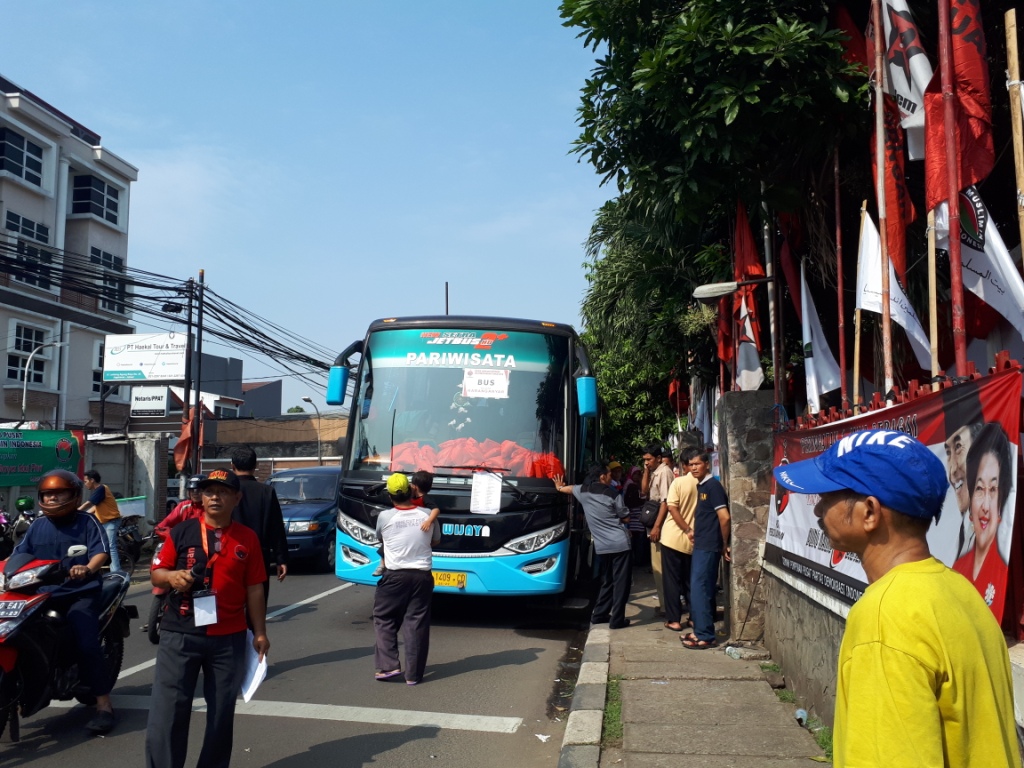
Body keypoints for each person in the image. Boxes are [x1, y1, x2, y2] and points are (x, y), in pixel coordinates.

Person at [774, 429, 1020, 767]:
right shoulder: (962, 593)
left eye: (828, 494)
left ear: (870, 512)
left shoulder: (884, 619)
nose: (817, 508)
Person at [146, 468, 269, 768]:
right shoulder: (182, 532)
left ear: (236, 498)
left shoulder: (247, 538)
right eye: (209, 491)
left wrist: (260, 632)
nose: (215, 496)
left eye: (223, 491)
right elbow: (157, 573)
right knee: (169, 712)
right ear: (201, 497)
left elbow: (254, 589)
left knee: (221, 713)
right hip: (180, 634)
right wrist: (172, 576)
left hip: (228, 638)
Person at [14, 469, 115, 733]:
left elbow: (101, 552)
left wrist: (87, 569)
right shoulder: (37, 525)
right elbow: (19, 555)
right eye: (47, 495)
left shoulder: (86, 521)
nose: (52, 499)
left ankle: (103, 704)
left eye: (59, 493)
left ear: (74, 495)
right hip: (42, 593)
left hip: (78, 593)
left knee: (86, 643)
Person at [373, 472, 441, 685]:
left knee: (384, 618)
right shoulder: (428, 514)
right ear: (410, 491)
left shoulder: (385, 517)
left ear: (390, 495)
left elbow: (379, 537)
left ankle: (389, 666)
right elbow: (436, 541)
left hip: (394, 576)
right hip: (422, 576)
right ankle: (413, 676)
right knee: (416, 624)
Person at [554, 463, 632, 628]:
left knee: (608, 580)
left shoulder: (583, 491)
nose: (611, 477)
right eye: (609, 474)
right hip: (620, 544)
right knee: (621, 583)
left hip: (602, 546)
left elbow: (568, 489)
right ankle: (617, 620)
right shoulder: (613, 493)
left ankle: (599, 614)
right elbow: (626, 517)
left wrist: (559, 488)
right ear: (602, 476)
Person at [953, 423, 1012, 609]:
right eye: (979, 488)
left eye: (993, 489)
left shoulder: (1004, 572)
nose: (985, 506)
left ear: (1001, 500)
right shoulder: (957, 569)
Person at [681, 450, 729, 649]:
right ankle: (700, 630)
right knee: (701, 590)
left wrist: (724, 543)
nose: (693, 468)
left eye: (697, 464)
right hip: (701, 544)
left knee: (700, 590)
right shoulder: (701, 486)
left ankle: (706, 636)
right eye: (691, 464)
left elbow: (724, 517)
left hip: (709, 546)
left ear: (707, 465)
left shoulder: (713, 486)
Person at [230, 446, 288, 601]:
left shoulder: (227, 491)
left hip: (230, 551)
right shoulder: (266, 491)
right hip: (259, 555)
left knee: (232, 600)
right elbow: (276, 527)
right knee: (257, 602)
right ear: (255, 466)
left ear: (232, 466)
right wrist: (281, 559)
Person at [372, 470, 441, 577]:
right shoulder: (414, 501)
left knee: (386, 543)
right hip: (422, 573)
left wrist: (428, 521)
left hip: (396, 573)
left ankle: (382, 565)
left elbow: (436, 509)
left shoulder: (424, 502)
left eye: (412, 485)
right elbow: (436, 540)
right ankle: (382, 564)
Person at [661, 447, 699, 632]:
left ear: (684, 466)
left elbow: (672, 508)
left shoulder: (679, 483)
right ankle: (694, 618)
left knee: (671, 581)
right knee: (691, 581)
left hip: (673, 537)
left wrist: (686, 529)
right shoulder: (707, 483)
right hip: (694, 540)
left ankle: (674, 620)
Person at [642, 444, 674, 617]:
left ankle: (666, 606)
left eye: (649, 459)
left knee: (660, 567)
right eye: (645, 460)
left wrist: (657, 527)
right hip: (654, 523)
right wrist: (646, 471)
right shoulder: (655, 472)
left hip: (660, 525)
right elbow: (644, 490)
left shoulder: (664, 472)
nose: (646, 463)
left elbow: (666, 501)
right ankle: (664, 605)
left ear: (659, 458)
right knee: (657, 567)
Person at [79, 469, 122, 573]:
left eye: (85, 481)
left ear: (92, 480)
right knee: (100, 545)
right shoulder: (98, 492)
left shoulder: (101, 488)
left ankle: (116, 572)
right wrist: (83, 515)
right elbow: (94, 508)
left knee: (111, 547)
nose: (85, 484)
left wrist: (76, 511)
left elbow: (88, 504)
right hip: (104, 522)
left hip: (111, 521)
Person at [155, 474, 205, 539]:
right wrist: (174, 535)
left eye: (198, 490)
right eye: (192, 490)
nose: (195, 493)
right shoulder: (183, 506)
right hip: (185, 544)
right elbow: (161, 526)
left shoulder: (211, 507)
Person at [623, 466, 649, 566]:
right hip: (636, 521)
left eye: (638, 474)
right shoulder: (631, 486)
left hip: (636, 522)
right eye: (635, 474)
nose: (637, 476)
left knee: (636, 543)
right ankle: (638, 561)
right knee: (637, 543)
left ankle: (637, 561)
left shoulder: (638, 486)